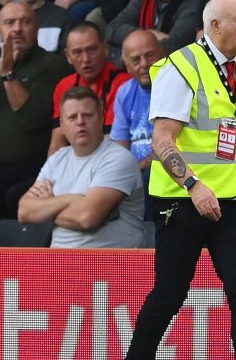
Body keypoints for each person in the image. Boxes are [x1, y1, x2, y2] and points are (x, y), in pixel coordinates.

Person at [120, 0, 236, 360]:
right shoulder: (180, 67)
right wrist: (193, 184)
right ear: (215, 26)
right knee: (169, 294)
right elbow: (161, 140)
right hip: (183, 201)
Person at [0, 1, 72, 222]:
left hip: (33, 165)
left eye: (25, 22)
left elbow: (34, 119)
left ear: (37, 28)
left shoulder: (52, 65)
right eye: (9, 23)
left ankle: (2, 255)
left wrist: (8, 74)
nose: (17, 28)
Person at [19, 85, 144, 248]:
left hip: (112, 265)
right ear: (62, 126)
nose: (80, 122)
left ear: (101, 117)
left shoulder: (119, 158)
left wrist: (48, 207)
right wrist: (73, 200)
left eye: (87, 115)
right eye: (72, 117)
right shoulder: (57, 159)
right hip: (60, 264)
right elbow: (24, 211)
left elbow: (87, 218)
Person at [49, 22, 129, 155]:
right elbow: (57, 143)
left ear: (105, 49)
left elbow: (112, 141)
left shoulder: (124, 84)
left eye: (92, 50)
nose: (86, 59)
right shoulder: (64, 87)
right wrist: (49, 173)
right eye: (77, 52)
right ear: (68, 56)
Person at [110, 29, 164, 181]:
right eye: (135, 60)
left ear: (163, 55)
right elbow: (120, 148)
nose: (144, 64)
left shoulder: (177, 86)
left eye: (149, 56)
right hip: (133, 174)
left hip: (166, 169)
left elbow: (178, 145)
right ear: (127, 66)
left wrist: (142, 166)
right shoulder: (124, 93)